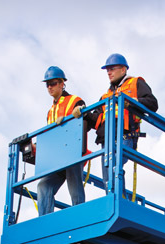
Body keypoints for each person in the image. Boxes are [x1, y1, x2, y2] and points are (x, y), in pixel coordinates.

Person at [83, 54, 158, 194]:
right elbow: (97, 119)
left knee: (113, 168)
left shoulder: (135, 83)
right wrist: (84, 114)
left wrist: (134, 101)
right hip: (106, 141)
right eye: (107, 70)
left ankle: (120, 202)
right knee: (108, 176)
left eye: (112, 69)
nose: (109, 73)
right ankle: (117, 202)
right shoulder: (105, 97)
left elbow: (153, 103)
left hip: (125, 136)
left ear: (123, 69)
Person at [37, 66, 86, 216]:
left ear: (61, 83)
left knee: (74, 185)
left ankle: (79, 217)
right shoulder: (50, 112)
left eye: (53, 83)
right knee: (43, 185)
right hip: (56, 159)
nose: (49, 87)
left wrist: (80, 112)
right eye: (47, 84)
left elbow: (87, 120)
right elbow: (48, 136)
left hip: (72, 154)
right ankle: (45, 222)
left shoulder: (74, 100)